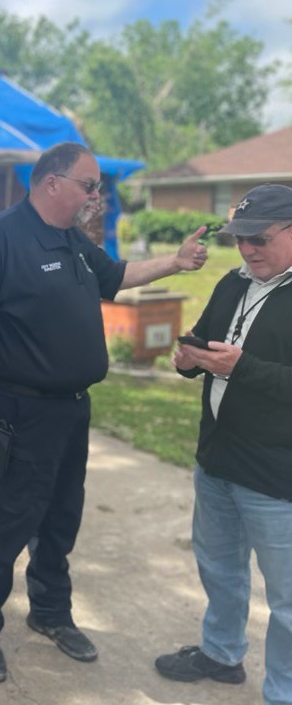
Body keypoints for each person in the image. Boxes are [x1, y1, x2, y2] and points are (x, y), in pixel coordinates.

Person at [0, 142, 209, 683]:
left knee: (61, 519)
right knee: (10, 523)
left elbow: (117, 276)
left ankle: (49, 613)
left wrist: (177, 262)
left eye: (97, 189)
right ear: (52, 183)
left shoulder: (72, 241)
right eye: (89, 186)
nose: (95, 196)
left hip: (72, 411)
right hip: (19, 411)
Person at [154, 184, 292, 705]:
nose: (248, 250)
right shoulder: (233, 284)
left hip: (277, 475)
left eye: (258, 239)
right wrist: (188, 359)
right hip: (216, 461)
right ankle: (221, 653)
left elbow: (248, 368)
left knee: (287, 600)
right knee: (220, 568)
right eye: (239, 240)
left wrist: (243, 369)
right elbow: (206, 337)